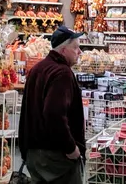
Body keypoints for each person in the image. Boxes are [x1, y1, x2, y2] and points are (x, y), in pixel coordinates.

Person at [19, 25, 85, 184]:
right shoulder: (62, 73)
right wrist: (71, 148)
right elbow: (54, 114)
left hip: (34, 154)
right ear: (63, 50)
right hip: (55, 158)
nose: (80, 51)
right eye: (76, 47)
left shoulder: (37, 69)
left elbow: (26, 110)